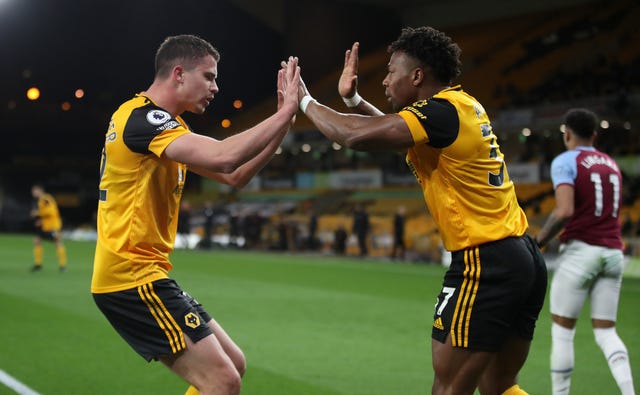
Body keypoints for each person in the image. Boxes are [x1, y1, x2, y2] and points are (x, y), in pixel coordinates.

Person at [292, 26, 547, 395]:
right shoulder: (463, 105)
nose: (385, 81)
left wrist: (305, 102)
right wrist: (353, 101)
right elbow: (396, 134)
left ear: (417, 76)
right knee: (500, 386)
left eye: (391, 71)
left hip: (485, 260)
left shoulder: (441, 113)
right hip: (521, 255)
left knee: (447, 388)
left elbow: (356, 136)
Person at [91, 34, 300, 395]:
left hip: (146, 273)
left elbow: (234, 175)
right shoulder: (142, 119)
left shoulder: (165, 127)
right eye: (209, 76)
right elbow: (224, 156)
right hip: (131, 276)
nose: (216, 87)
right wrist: (283, 113)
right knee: (222, 380)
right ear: (178, 73)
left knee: (233, 364)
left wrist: (282, 124)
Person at [535, 108, 635, 395]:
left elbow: (565, 211)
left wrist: (539, 240)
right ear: (595, 135)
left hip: (581, 252)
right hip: (614, 254)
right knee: (606, 332)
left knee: (563, 333)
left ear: (566, 133)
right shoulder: (610, 163)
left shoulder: (566, 161)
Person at [30, 183, 67, 272]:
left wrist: (37, 213)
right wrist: (41, 221)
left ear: (40, 190)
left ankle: (63, 266)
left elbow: (51, 211)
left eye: (34, 190)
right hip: (46, 226)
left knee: (57, 243)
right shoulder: (41, 200)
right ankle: (38, 264)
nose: (33, 192)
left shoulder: (46, 199)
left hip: (53, 226)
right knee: (37, 240)